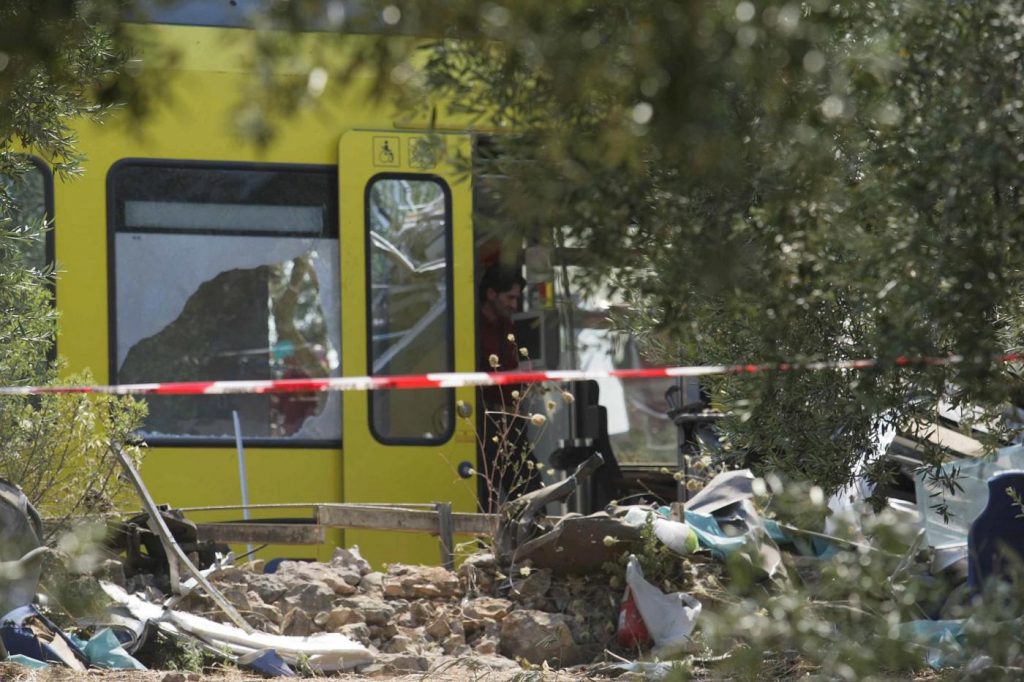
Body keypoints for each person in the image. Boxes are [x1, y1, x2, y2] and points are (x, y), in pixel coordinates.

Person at [477, 264, 541, 510]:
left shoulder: (507, 326)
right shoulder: (474, 330)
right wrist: (516, 374)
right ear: (491, 294)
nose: (514, 305)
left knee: (533, 494)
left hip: (511, 421)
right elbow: (474, 377)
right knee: (487, 498)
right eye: (510, 297)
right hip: (487, 422)